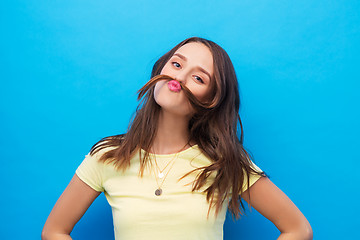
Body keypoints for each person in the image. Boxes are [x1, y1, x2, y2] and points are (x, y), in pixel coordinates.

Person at [42, 37, 313, 240]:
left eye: (197, 77)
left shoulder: (224, 163)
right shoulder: (107, 156)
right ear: (161, 68)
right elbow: (54, 231)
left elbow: (298, 229)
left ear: (211, 99)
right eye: (176, 63)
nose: (178, 78)